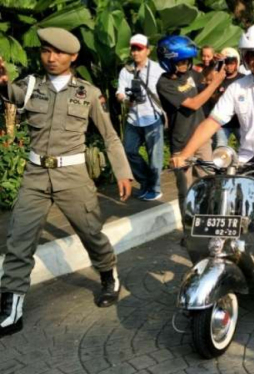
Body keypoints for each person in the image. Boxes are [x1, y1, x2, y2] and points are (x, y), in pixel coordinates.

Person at [0, 28, 134, 336]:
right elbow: (9, 93)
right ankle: (11, 308)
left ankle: (108, 274)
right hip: (35, 175)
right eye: (46, 51)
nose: (51, 57)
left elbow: (110, 136)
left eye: (58, 52)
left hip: (73, 177)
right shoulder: (31, 85)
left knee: (91, 234)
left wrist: (123, 171)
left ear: (73, 57)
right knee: (19, 240)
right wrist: (2, 82)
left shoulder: (87, 93)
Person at [170, 24, 254, 277]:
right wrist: (184, 153)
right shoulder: (237, 88)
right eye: (251, 55)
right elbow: (212, 122)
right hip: (246, 162)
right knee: (220, 197)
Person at [156, 35, 224, 237]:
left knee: (208, 183)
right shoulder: (164, 84)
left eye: (187, 61)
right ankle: (189, 231)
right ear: (169, 62)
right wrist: (216, 83)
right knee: (185, 190)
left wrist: (215, 65)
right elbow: (194, 103)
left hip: (202, 140)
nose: (185, 65)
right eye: (180, 61)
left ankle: (210, 226)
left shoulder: (191, 74)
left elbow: (203, 79)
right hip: (181, 144)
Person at [116, 34, 165, 201]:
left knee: (155, 158)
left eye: (139, 49)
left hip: (152, 117)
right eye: (133, 49)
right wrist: (126, 100)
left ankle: (156, 188)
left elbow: (165, 92)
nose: (136, 53)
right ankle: (145, 182)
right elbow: (119, 92)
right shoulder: (126, 71)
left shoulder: (158, 69)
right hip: (133, 118)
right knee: (128, 151)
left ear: (147, 51)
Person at [212, 47, 245, 148]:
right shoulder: (218, 78)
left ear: (237, 63)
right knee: (220, 147)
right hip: (222, 123)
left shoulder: (244, 79)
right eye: (226, 63)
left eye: (232, 63)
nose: (229, 66)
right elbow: (212, 97)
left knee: (245, 148)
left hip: (240, 122)